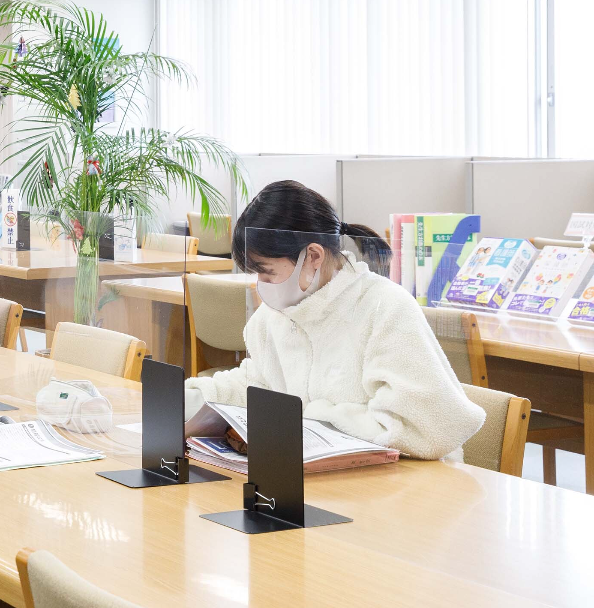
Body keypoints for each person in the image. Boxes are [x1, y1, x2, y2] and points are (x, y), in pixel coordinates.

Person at [185, 180, 484, 461]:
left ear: (313, 256)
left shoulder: (384, 307)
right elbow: (258, 382)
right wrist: (193, 398)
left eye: (268, 273)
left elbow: (424, 428)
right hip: (318, 481)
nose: (262, 286)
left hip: (402, 488)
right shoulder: (274, 317)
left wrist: (300, 422)